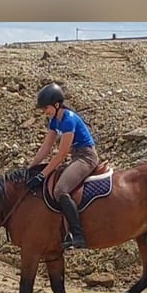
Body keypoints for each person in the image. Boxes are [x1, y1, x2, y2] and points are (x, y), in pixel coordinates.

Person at [26, 82, 100, 250]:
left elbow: (61, 154)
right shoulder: (54, 121)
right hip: (76, 156)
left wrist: (43, 174)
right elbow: (46, 148)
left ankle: (78, 235)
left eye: (47, 108)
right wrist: (31, 168)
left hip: (86, 157)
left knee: (60, 189)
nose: (45, 112)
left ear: (57, 105)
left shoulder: (68, 120)